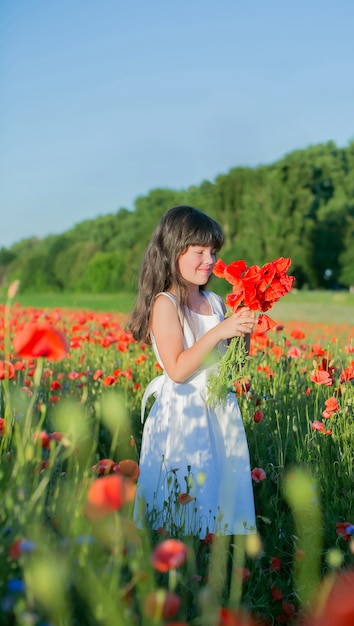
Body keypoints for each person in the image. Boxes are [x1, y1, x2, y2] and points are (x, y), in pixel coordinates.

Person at [128, 205, 257, 538]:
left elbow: (236, 366)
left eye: (213, 252)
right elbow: (178, 369)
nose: (210, 260)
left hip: (218, 406)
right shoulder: (165, 304)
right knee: (185, 484)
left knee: (219, 483)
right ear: (173, 252)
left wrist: (244, 330)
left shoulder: (215, 303)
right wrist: (218, 331)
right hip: (183, 412)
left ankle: (217, 549)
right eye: (199, 251)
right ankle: (177, 556)